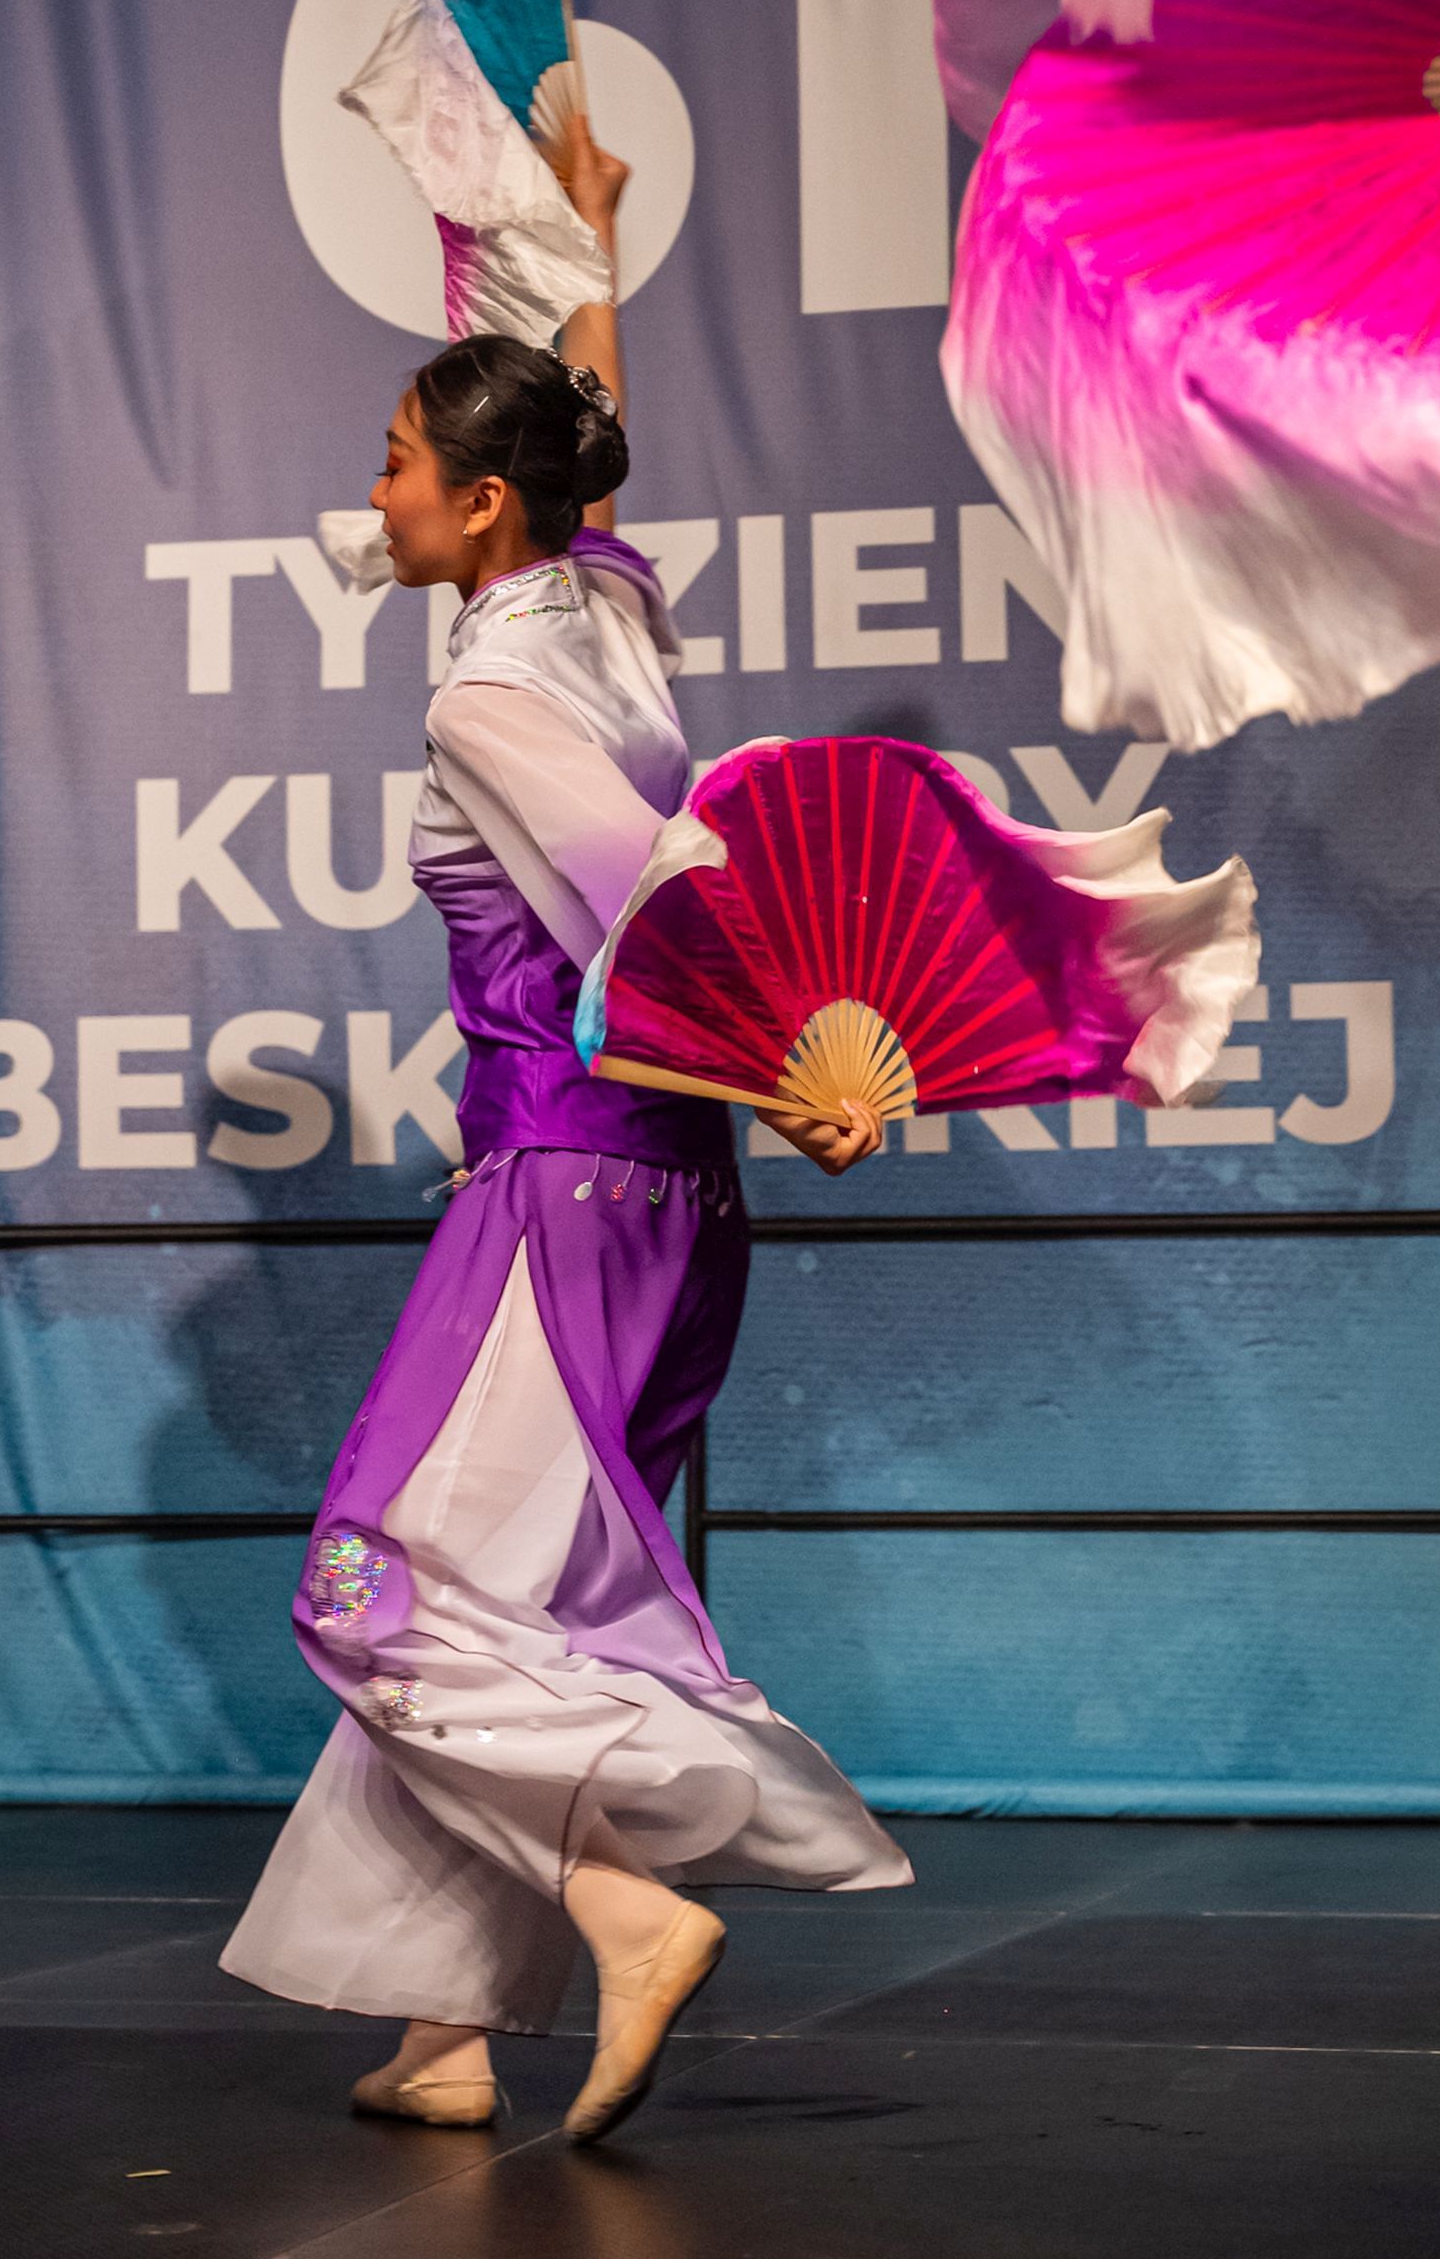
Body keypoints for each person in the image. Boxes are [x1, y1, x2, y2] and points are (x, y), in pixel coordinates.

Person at [221, 126, 909, 2145]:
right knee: (505, 1595)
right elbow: (582, 446)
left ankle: (624, 1907)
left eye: (392, 464)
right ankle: (441, 2024)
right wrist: (585, 248)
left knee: (378, 1594)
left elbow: (647, 910)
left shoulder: (487, 699)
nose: (371, 494)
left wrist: (793, 1070)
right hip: (664, 1203)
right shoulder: (600, 608)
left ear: (478, 502)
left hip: (563, 1188)